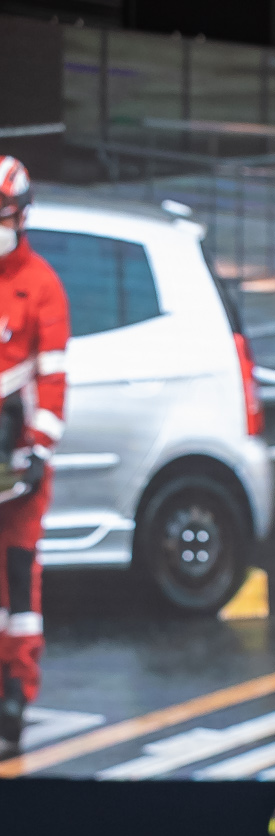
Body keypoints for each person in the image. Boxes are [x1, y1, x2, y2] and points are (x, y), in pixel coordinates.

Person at [0, 155, 67, 757]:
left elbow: (52, 378)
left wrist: (40, 447)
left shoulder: (41, 284)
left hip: (17, 462)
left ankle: (17, 692)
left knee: (20, 578)